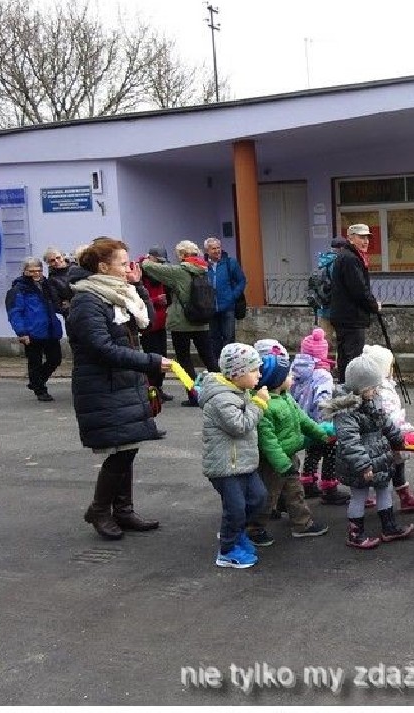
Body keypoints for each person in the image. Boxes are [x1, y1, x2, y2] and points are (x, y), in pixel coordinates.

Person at [66, 238, 171, 540]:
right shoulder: (88, 301)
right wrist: (150, 362)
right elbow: (102, 348)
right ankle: (100, 510)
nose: (128, 268)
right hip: (103, 385)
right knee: (122, 450)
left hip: (124, 382)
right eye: (123, 263)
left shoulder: (119, 293)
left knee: (128, 445)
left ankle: (123, 510)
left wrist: (138, 286)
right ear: (103, 267)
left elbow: (146, 322)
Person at [322, 354, 414, 549]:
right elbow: (350, 441)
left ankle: (389, 527)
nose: (376, 391)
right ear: (360, 388)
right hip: (360, 463)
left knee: (384, 489)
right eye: (372, 388)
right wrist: (363, 465)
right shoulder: (346, 410)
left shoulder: (372, 399)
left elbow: (385, 421)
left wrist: (397, 438)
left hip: (379, 456)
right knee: (359, 495)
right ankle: (355, 533)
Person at [246, 340, 330, 545]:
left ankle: (302, 524)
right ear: (277, 380)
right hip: (274, 463)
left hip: (289, 457)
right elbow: (268, 441)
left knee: (295, 491)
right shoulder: (264, 405)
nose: (292, 378)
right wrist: (281, 464)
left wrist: (321, 434)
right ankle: (254, 528)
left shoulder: (286, 398)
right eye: (288, 376)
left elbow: (304, 420)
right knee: (268, 495)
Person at [200, 343, 269, 569]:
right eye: (254, 370)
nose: (259, 375)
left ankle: (236, 533)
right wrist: (259, 404)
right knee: (236, 508)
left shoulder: (240, 391)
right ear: (237, 373)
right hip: (225, 467)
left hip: (243, 463)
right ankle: (227, 550)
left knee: (259, 498)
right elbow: (240, 425)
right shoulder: (221, 399)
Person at [141, 240, 219, 407]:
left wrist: (148, 258)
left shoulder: (179, 271)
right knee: (209, 358)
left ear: (182, 255)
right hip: (202, 320)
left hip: (181, 322)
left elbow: (148, 267)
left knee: (184, 360)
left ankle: (194, 395)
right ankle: (222, 392)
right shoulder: (203, 269)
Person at [362, 343, 414, 512]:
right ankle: (402, 498)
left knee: (374, 466)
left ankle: (363, 496)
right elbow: (390, 417)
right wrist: (402, 430)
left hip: (377, 436)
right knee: (395, 466)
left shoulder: (373, 386)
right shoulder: (383, 391)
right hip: (389, 436)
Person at [292, 328, 350, 504]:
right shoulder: (323, 375)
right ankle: (329, 487)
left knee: (312, 452)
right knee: (330, 452)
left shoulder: (296, 371)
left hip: (303, 421)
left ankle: (308, 482)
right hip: (321, 423)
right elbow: (322, 401)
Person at [6, 257, 64, 402]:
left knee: (55, 359)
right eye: (32, 271)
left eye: (39, 270)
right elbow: (15, 313)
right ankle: (40, 390)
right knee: (35, 363)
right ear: (24, 271)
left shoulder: (47, 285)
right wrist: (22, 332)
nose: (36, 273)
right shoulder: (18, 289)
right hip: (32, 332)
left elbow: (55, 303)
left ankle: (36, 381)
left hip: (50, 330)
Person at [329, 224, 380, 384]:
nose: (366, 241)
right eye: (361, 237)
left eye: (367, 238)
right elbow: (359, 290)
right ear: (351, 239)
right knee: (352, 357)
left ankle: (344, 386)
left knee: (345, 356)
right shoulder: (351, 259)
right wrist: (374, 305)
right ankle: (351, 389)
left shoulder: (348, 256)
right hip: (351, 317)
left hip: (345, 316)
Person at [138, 246, 174, 401]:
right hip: (147, 324)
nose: (160, 265)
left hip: (161, 322)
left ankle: (159, 388)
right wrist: (156, 300)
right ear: (150, 258)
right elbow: (138, 300)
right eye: (158, 261)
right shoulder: (140, 274)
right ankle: (151, 391)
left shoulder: (159, 274)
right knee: (152, 358)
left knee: (162, 357)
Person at [203, 237, 247, 356]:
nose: (217, 251)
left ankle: (229, 360)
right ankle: (217, 362)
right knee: (213, 338)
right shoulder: (202, 265)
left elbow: (241, 281)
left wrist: (232, 296)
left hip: (228, 307)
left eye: (218, 248)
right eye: (213, 248)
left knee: (229, 337)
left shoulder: (230, 263)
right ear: (207, 251)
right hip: (210, 307)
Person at [43, 246, 77, 317]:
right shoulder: (51, 280)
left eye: (58, 257)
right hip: (72, 316)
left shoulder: (77, 267)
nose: (56, 261)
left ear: (63, 256)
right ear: (48, 263)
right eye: (52, 260)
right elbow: (57, 306)